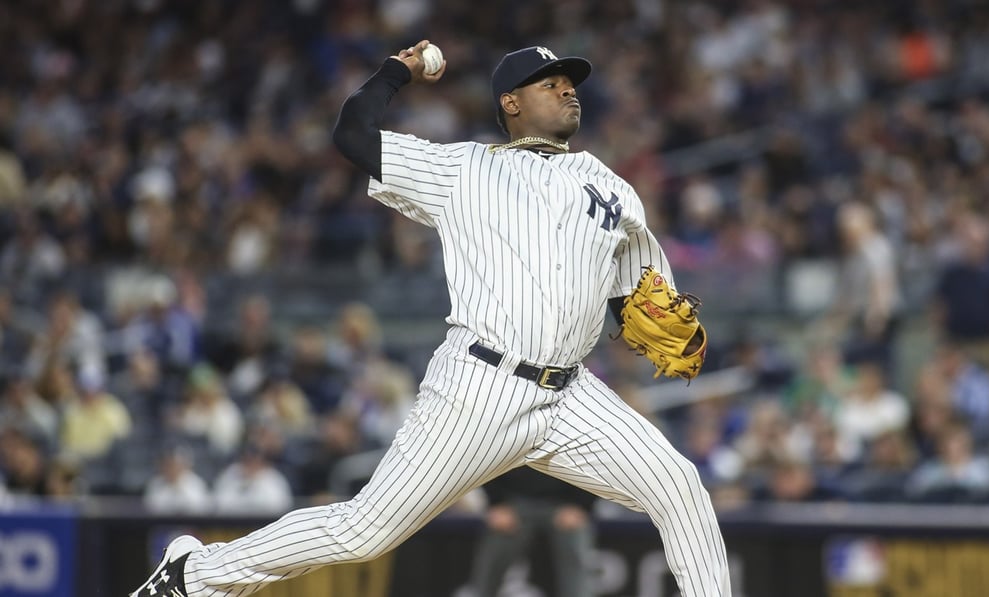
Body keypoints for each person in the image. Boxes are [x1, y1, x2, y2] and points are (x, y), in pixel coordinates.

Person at [130, 40, 730, 597]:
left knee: (679, 488)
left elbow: (640, 297)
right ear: (511, 102)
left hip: (572, 394)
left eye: (570, 81)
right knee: (363, 532)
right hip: (481, 388)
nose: (568, 89)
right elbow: (354, 134)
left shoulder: (612, 187)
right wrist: (399, 72)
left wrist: (644, 316)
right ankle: (196, 573)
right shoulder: (462, 170)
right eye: (550, 82)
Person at [470, 467, 598, 597]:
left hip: (565, 503)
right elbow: (488, 458)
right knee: (492, 558)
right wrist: (496, 503)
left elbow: (595, 462)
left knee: (577, 553)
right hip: (512, 502)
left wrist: (582, 505)